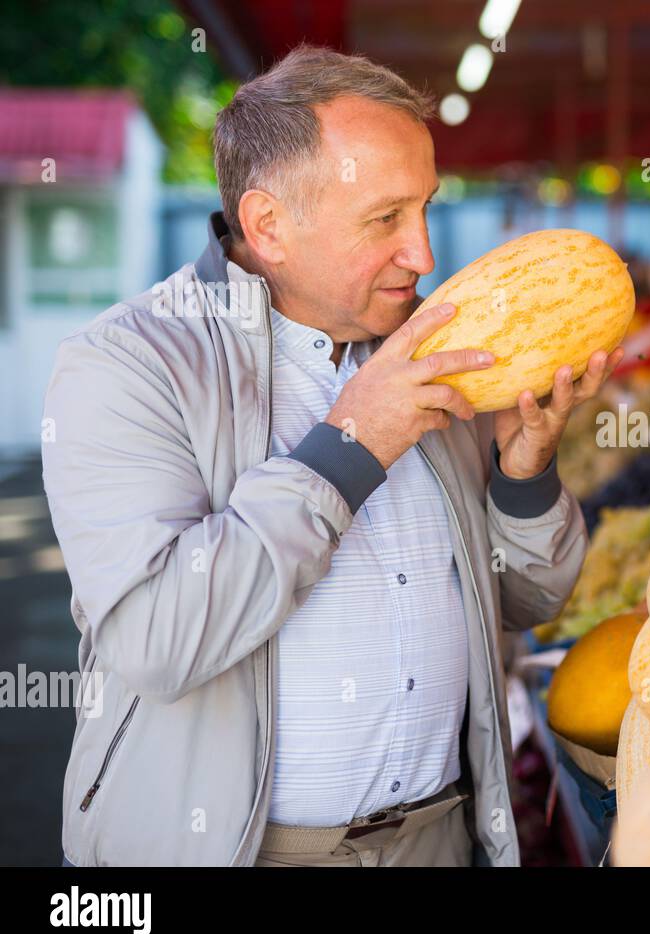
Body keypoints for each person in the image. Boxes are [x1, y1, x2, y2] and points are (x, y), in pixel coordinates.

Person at [43, 45, 619, 867]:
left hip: (438, 843)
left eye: (425, 208)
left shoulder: (434, 347)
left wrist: (524, 476)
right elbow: (157, 639)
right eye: (385, 219)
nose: (423, 255)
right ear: (268, 225)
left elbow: (523, 605)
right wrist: (354, 444)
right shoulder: (127, 365)